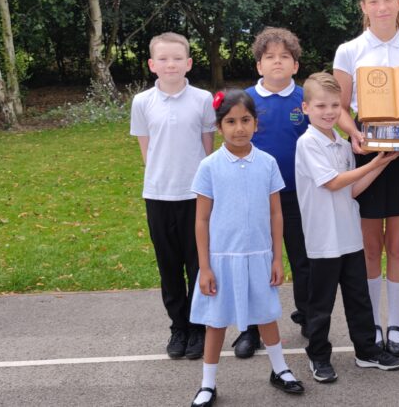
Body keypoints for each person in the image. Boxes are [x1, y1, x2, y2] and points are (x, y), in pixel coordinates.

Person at [332, 0, 399, 356]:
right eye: (373, 1)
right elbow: (341, 107)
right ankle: (373, 323)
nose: (381, 7)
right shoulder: (349, 50)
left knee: (398, 244)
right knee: (370, 247)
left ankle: (396, 325)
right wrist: (354, 135)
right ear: (363, 6)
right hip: (368, 152)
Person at [189, 90, 305, 406]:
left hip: (259, 257)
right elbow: (201, 221)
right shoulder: (209, 166)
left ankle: (280, 369)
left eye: (245, 120)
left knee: (266, 314)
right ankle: (207, 384)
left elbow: (276, 213)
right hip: (221, 259)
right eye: (231, 121)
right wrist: (205, 266)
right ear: (219, 125)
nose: (239, 128)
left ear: (256, 123)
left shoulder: (267, 163)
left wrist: (277, 258)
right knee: (216, 321)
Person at [295, 73, 399, 383]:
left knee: (359, 300)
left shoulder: (342, 146)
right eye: (321, 106)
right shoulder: (308, 143)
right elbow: (332, 183)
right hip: (323, 240)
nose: (329, 112)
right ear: (306, 108)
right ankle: (318, 356)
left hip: (349, 237)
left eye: (334, 105)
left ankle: (366, 351)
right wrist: (370, 164)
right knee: (321, 305)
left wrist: (381, 163)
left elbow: (352, 190)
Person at [129, 32, 214, 360]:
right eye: (163, 59)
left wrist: (204, 188)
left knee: (198, 265)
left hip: (195, 197)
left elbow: (208, 146)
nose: (170, 64)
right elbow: (146, 150)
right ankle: (178, 327)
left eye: (177, 58)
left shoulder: (202, 99)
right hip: (159, 196)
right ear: (152, 64)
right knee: (169, 266)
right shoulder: (142, 102)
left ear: (188, 63)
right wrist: (159, 179)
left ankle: (197, 327)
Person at [231, 27, 311, 358]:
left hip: (297, 194)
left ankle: (309, 316)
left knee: (302, 258)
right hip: (254, 196)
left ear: (295, 65)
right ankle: (250, 329)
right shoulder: (246, 100)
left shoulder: (306, 98)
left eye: (285, 57)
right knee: (254, 261)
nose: (277, 62)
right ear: (259, 65)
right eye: (269, 57)